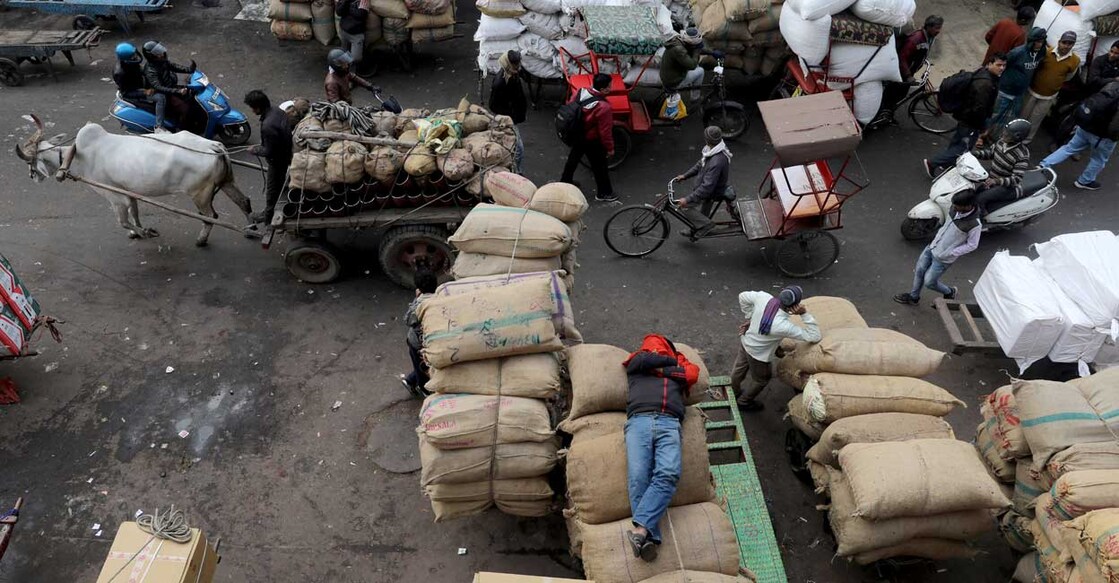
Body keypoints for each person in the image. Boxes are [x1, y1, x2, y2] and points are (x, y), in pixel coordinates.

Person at [622, 334, 699, 562]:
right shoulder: (638, 362)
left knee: (668, 473)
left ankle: (639, 532)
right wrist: (669, 365)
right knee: (638, 478)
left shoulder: (680, 363)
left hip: (669, 422)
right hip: (638, 421)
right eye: (651, 349)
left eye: (661, 348)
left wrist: (666, 365)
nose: (656, 351)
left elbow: (692, 374)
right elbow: (639, 362)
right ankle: (649, 538)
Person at [731, 286, 821, 412]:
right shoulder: (783, 326)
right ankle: (744, 402)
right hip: (759, 355)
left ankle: (734, 391)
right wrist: (804, 313)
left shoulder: (763, 297)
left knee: (739, 369)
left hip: (746, 341)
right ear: (793, 306)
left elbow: (742, 296)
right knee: (762, 380)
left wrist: (750, 318)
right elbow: (814, 336)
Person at [924, 54, 1006, 178]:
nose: (1002, 68)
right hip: (971, 121)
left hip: (965, 116)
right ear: (990, 64)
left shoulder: (982, 74)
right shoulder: (986, 84)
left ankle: (946, 164)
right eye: (998, 65)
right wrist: (982, 126)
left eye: (1004, 65)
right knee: (962, 149)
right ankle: (933, 163)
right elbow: (980, 108)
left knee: (957, 143)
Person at [893, 191, 981, 306]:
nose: (954, 207)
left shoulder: (975, 225)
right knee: (919, 271)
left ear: (968, 206)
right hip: (932, 246)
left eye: (957, 205)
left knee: (929, 282)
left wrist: (952, 252)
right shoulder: (954, 209)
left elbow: (972, 245)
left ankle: (950, 291)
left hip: (943, 258)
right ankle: (914, 297)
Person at [1039, 80, 1119, 190]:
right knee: (1098, 159)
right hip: (1102, 137)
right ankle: (1084, 181)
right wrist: (1114, 138)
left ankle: (1043, 165)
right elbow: (1115, 128)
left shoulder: (1111, 85)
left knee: (1068, 148)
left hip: (1086, 126)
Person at [560, 73, 617, 203]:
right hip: (591, 139)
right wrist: (610, 148)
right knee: (600, 166)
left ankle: (565, 182)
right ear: (603, 90)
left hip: (576, 133)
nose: (611, 88)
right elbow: (605, 132)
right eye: (609, 86)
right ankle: (604, 193)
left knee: (573, 159)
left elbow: (570, 104)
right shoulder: (604, 107)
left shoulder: (581, 92)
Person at [876, 15, 942, 124]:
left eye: (939, 28)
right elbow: (902, 58)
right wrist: (908, 76)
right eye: (936, 28)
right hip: (900, 74)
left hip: (907, 73)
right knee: (892, 95)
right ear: (929, 27)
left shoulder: (927, 38)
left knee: (900, 96)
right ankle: (879, 116)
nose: (938, 31)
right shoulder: (916, 39)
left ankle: (888, 115)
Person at [1020, 31, 1080, 142]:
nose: (1066, 46)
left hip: (1049, 96)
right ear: (1059, 42)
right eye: (1064, 42)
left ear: (1073, 45)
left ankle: (1026, 141)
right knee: (1023, 115)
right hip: (1032, 91)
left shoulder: (1075, 60)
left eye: (1070, 43)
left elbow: (1068, 77)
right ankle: (1015, 136)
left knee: (1035, 120)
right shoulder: (1046, 52)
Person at [243, 90, 292, 225]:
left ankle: (267, 217)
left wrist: (255, 150)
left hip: (278, 160)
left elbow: (269, 151)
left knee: (271, 190)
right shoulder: (277, 111)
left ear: (258, 107)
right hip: (286, 151)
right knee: (278, 184)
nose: (252, 111)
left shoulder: (268, 126)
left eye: (252, 108)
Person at [987, 27, 1047, 137]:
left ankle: (996, 137)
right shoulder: (1017, 52)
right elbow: (1003, 65)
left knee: (1010, 119)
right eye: (1038, 41)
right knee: (995, 115)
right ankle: (981, 136)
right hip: (1005, 91)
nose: (1040, 44)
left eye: (1042, 41)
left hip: (1019, 94)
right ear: (1032, 41)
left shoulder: (1041, 53)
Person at [673, 126, 732, 238]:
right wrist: (685, 176)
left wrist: (687, 199)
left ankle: (706, 225)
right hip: (710, 187)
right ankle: (696, 229)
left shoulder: (716, 161)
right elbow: (700, 164)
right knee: (702, 213)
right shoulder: (713, 150)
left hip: (712, 191)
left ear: (707, 140)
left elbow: (707, 188)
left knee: (684, 206)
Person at [972, 118, 1031, 215]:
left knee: (979, 199)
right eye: (1005, 131)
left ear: (1017, 137)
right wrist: (974, 154)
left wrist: (996, 181)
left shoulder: (1022, 154)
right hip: (992, 178)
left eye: (1007, 133)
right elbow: (990, 154)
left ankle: (981, 219)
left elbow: (1017, 179)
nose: (1003, 134)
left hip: (1005, 187)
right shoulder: (1001, 142)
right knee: (974, 191)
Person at [141, 41, 195, 132]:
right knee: (185, 109)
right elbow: (158, 87)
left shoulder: (161, 62)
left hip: (170, 87)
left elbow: (173, 66)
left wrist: (190, 69)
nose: (162, 54)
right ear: (151, 56)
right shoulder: (151, 70)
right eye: (158, 53)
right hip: (163, 93)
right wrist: (177, 91)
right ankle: (181, 129)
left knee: (192, 96)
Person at [402, 262, 439, 397]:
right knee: (423, 367)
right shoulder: (440, 298)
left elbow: (407, 320)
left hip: (415, 342)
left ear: (418, 288)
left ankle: (411, 381)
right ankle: (422, 389)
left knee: (420, 365)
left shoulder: (418, 303)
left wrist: (416, 300)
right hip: (424, 343)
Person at [488, 50, 527, 172]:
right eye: (516, 65)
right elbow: (493, 105)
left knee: (511, 145)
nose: (518, 67)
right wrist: (510, 116)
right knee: (519, 148)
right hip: (508, 119)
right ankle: (517, 172)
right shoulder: (500, 83)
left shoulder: (513, 73)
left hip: (515, 115)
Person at [113, 43, 164, 118]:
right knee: (160, 98)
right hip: (135, 92)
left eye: (135, 54)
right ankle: (160, 125)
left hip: (141, 83)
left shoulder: (131, 63)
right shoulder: (121, 74)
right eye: (133, 56)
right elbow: (126, 93)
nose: (136, 57)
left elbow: (142, 70)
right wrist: (145, 92)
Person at [335, 0, 371, 76]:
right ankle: (348, 76)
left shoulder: (363, 1)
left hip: (357, 35)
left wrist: (348, 10)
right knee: (344, 55)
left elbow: (361, 15)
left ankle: (351, 74)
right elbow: (339, 12)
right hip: (344, 31)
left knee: (356, 58)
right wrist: (347, 3)